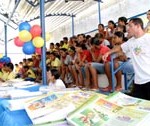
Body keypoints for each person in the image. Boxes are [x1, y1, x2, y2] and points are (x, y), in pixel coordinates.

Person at [102, 18, 150, 100]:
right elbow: (119, 47)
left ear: (138, 26)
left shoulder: (148, 39)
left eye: (130, 26)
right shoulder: (131, 41)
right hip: (138, 81)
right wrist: (108, 53)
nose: (128, 29)